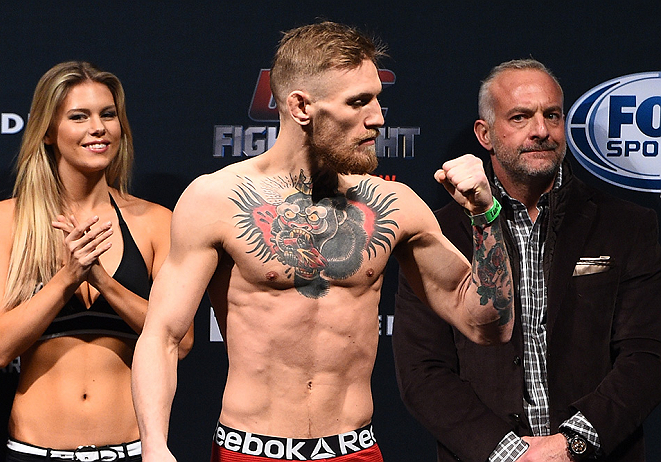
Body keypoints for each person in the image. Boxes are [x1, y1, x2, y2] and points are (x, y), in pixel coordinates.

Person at [131, 21, 515, 462]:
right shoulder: (216, 199)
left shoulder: (394, 206)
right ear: (300, 107)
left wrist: (486, 215)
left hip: (354, 450)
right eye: (358, 102)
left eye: (377, 99)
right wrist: (154, 447)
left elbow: (490, 326)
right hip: (248, 451)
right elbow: (161, 336)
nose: (377, 118)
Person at [393, 58, 661, 462]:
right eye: (520, 117)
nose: (541, 131)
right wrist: (508, 453)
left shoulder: (629, 225)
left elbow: (647, 356)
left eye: (552, 115)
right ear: (484, 134)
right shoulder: (437, 234)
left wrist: (571, 444)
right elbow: (422, 371)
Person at [0, 61, 193, 462]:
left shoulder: (157, 222)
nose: (99, 128)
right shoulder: (4, 221)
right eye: (79, 116)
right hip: (34, 452)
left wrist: (104, 281)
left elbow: (179, 343)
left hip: (131, 450)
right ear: (47, 131)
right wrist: (68, 278)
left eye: (108, 114)